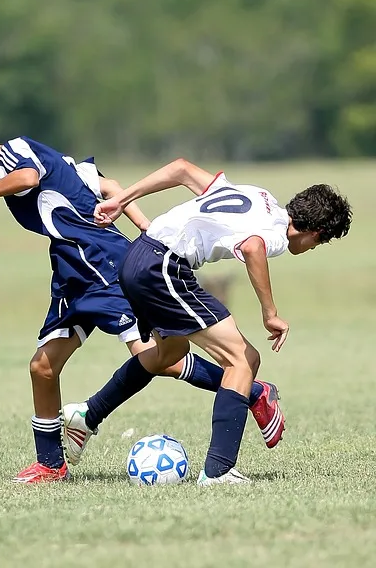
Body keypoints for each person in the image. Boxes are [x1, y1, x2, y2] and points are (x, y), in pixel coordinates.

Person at [0, 136, 285, 483]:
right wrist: (143, 226)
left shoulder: (17, 151)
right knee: (42, 367)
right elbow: (107, 185)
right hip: (71, 272)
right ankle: (50, 464)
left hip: (104, 264)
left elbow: (28, 178)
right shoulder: (57, 164)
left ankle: (255, 392)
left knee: (159, 355)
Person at [62, 159, 352, 485]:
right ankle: (218, 471)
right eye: (319, 243)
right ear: (316, 232)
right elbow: (253, 246)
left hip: (137, 257)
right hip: (163, 266)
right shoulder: (278, 234)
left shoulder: (258, 195)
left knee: (169, 353)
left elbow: (182, 169)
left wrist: (122, 198)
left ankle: (87, 414)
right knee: (243, 359)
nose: (311, 248)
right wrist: (269, 313)